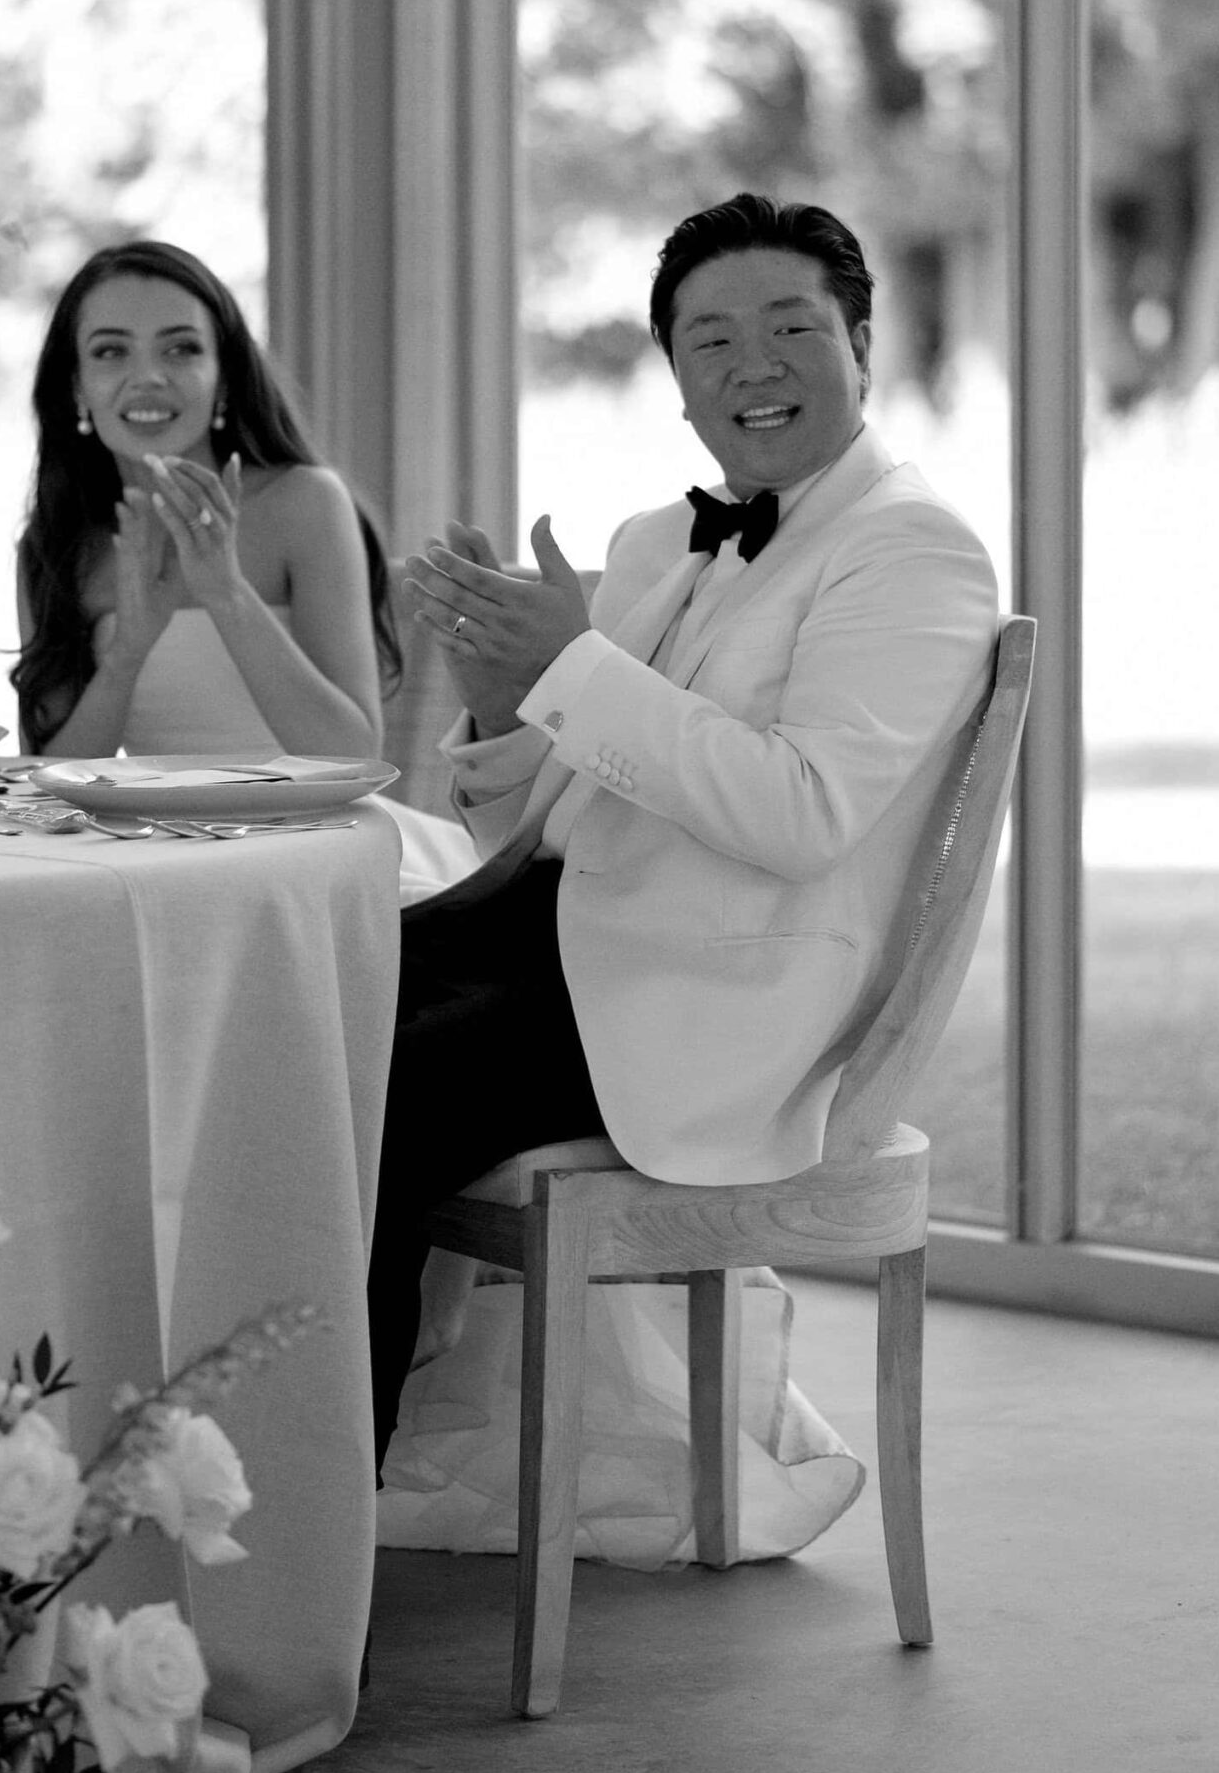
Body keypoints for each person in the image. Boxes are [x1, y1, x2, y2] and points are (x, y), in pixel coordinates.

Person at [371, 192, 999, 1539]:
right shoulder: (661, 543)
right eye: (708, 340)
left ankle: (300, 1548)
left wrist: (572, 670)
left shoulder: (912, 548)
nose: (749, 367)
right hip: (562, 931)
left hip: (709, 1003)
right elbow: (560, 807)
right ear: (674, 378)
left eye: (789, 327)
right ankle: (232, 1471)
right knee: (278, 1006)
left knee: (368, 1100)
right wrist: (504, 693)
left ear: (861, 345)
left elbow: (799, 812)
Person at [12, 239, 476, 899]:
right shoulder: (57, 545)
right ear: (76, 387)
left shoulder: (304, 502)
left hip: (320, 850)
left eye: (181, 348)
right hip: (155, 862)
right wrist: (127, 654)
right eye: (111, 351)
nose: (148, 376)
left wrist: (225, 593)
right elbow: (49, 781)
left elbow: (353, 756)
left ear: (225, 376)